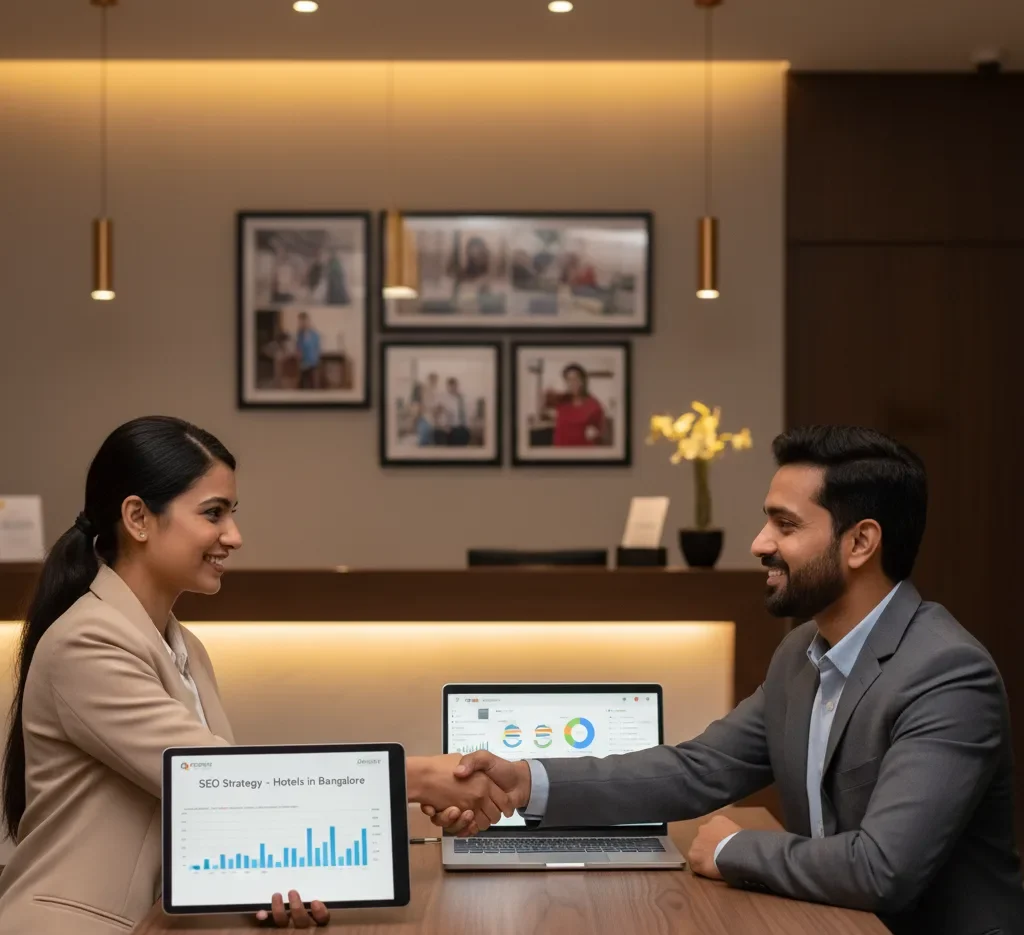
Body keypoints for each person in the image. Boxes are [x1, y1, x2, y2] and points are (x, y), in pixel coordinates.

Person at [427, 426, 1024, 935]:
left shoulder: (947, 674)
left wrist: (735, 848)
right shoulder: (802, 654)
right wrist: (527, 781)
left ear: (861, 542)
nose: (760, 544)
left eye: (785, 525)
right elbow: (697, 769)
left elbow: (882, 870)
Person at [0, 417, 511, 935]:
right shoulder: (87, 644)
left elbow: (221, 811)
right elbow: (217, 781)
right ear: (137, 517)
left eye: (232, 514)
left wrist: (265, 889)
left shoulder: (184, 648)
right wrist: (422, 778)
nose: (235, 536)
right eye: (213, 514)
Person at [541, 363, 606, 447]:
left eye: (575, 379)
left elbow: (601, 433)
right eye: (568, 380)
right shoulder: (561, 399)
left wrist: (597, 434)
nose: (572, 383)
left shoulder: (594, 405)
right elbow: (544, 404)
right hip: (559, 451)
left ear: (583, 381)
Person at [295, 311, 322, 390]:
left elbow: (316, 350)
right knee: (302, 385)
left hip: (312, 364)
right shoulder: (300, 334)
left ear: (308, 321)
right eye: (301, 321)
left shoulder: (315, 334)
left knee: (312, 385)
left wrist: (310, 363)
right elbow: (298, 348)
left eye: (304, 321)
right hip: (302, 364)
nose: (302, 323)